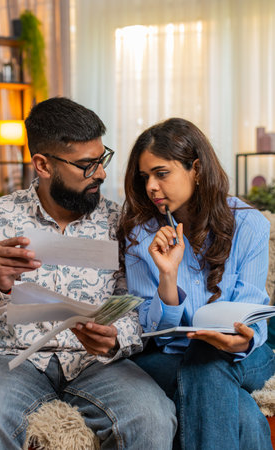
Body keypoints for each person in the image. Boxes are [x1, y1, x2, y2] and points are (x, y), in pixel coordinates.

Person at [0, 97, 176, 450]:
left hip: (96, 363)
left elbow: (137, 303)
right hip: (10, 360)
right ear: (42, 164)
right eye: (87, 165)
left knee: (152, 415)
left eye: (102, 159)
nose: (100, 173)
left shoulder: (120, 221)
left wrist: (115, 336)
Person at [118, 117, 275, 450]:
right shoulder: (140, 234)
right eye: (145, 177)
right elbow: (151, 330)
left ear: (197, 169)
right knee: (243, 412)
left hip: (246, 355)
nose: (150, 187)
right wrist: (168, 276)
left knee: (207, 358)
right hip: (169, 356)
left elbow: (253, 312)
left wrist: (238, 341)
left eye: (161, 174)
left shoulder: (249, 225)